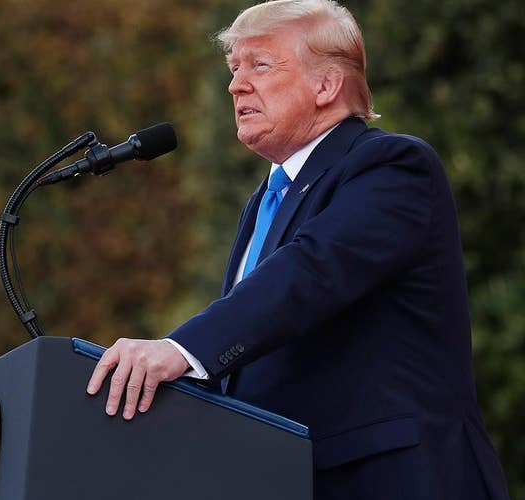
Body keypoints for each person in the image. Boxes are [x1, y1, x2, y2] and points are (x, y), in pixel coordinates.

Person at [85, 0, 509, 498]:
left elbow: (312, 270)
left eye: (259, 65)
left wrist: (181, 350)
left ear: (326, 85)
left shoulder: (392, 166)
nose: (235, 85)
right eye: (234, 68)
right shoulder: (263, 204)